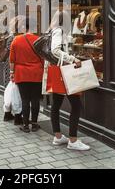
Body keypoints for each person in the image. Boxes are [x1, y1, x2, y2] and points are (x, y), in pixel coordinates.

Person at [47, 10, 90, 151]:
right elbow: (55, 50)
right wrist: (73, 58)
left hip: (57, 71)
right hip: (64, 73)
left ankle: (58, 137)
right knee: (77, 106)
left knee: (57, 104)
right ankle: (73, 140)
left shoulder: (52, 30)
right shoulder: (58, 31)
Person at [9, 17, 44, 133]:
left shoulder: (16, 40)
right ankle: (34, 124)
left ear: (24, 27)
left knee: (24, 99)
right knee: (35, 99)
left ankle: (25, 125)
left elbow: (12, 60)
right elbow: (44, 59)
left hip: (21, 74)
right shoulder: (39, 40)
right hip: (36, 73)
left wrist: (11, 73)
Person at [2, 16, 24, 124]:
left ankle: (7, 113)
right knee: (17, 92)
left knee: (10, 90)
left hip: (9, 65)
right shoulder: (17, 38)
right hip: (15, 66)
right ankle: (17, 116)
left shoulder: (10, 36)